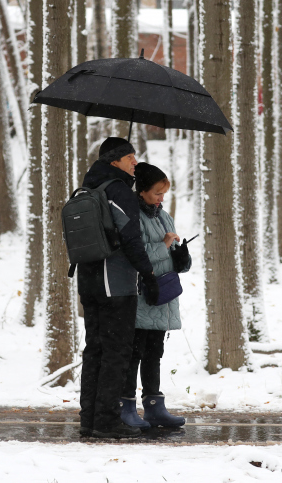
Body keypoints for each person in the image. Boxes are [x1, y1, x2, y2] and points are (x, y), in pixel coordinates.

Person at [77, 137, 160, 439]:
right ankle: (106, 421)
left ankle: (89, 419)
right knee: (116, 352)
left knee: (95, 349)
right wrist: (148, 272)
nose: (135, 162)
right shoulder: (118, 191)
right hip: (116, 284)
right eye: (129, 157)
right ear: (114, 161)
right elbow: (131, 238)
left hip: (88, 281)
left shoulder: (89, 188)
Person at [119, 163, 192, 430]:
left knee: (154, 353)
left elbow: (172, 255)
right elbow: (135, 255)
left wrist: (181, 255)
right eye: (156, 193)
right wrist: (163, 246)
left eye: (164, 193)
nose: (161, 199)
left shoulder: (164, 215)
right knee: (135, 353)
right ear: (142, 192)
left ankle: (154, 407)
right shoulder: (133, 216)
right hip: (142, 293)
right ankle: (125, 406)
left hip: (163, 293)